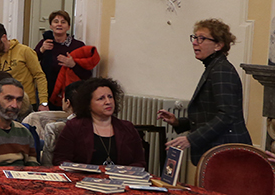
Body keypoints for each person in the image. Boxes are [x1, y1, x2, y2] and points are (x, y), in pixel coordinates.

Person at [157, 18, 251, 164]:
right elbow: (209, 115)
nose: (195, 42)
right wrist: (178, 123)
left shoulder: (221, 70)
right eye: (195, 37)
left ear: (218, 45)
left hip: (226, 152)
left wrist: (191, 139)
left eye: (201, 38)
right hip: (219, 151)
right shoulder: (214, 67)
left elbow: (226, 116)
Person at [53, 77, 144, 168]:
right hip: (84, 179)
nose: (108, 102)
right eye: (101, 98)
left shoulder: (127, 127)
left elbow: (140, 162)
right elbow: (60, 159)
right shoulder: (74, 126)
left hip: (121, 180)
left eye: (110, 97)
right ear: (88, 104)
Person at [0, 22, 49, 110]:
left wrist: (43, 103)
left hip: (26, 103)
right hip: (4, 105)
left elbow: (39, 76)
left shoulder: (24, 51)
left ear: (4, 37)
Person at [35, 10, 94, 108]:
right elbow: (32, 62)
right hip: (45, 93)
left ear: (68, 27)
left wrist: (73, 65)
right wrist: (41, 50)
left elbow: (87, 74)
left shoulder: (78, 46)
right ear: (51, 26)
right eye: (56, 21)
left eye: (63, 22)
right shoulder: (44, 43)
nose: (59, 24)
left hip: (70, 95)